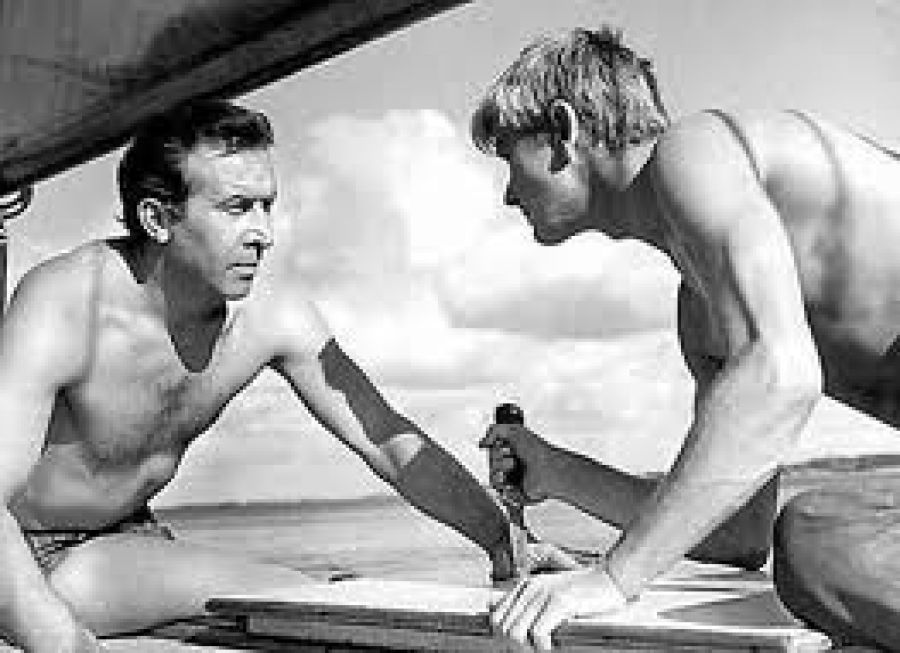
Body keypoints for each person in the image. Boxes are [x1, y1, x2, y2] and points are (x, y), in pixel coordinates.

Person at [0, 100, 530, 653]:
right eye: (236, 208)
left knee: (314, 607)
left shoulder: (271, 315)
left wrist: (504, 542)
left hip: (128, 539)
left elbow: (385, 440)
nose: (262, 233)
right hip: (27, 555)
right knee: (303, 601)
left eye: (266, 206)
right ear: (157, 219)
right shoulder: (67, 302)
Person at [472, 25, 900, 651]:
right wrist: (559, 475)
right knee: (820, 541)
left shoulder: (696, 150)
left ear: (564, 132)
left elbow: (783, 376)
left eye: (510, 157)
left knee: (816, 538)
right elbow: (738, 535)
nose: (509, 192)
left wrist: (616, 578)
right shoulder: (701, 314)